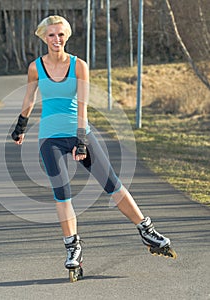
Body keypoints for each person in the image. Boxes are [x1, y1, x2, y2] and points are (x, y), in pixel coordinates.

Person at [11, 15, 174, 271]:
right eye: (52, 35)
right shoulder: (35, 67)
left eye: (61, 34)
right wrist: (20, 126)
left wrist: (82, 139)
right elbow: (30, 98)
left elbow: (83, 105)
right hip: (49, 138)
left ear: (67, 36)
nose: (57, 39)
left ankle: (146, 230)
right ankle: (73, 247)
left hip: (79, 132)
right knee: (61, 192)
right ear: (44, 37)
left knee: (111, 182)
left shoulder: (79, 65)